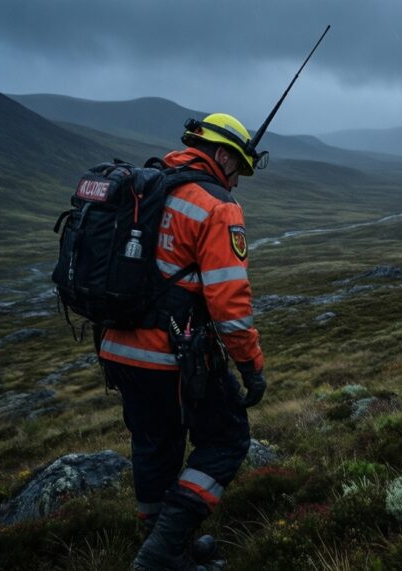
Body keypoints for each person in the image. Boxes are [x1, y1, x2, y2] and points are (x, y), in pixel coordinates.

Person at [98, 113, 268, 569]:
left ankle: (168, 550)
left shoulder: (149, 187)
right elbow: (230, 302)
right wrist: (250, 366)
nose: (237, 180)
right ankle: (160, 552)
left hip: (117, 348)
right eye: (238, 168)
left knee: (155, 445)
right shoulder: (217, 206)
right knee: (227, 440)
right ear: (222, 156)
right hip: (169, 357)